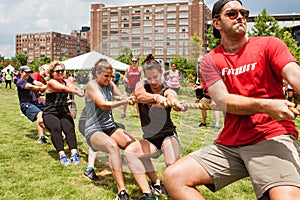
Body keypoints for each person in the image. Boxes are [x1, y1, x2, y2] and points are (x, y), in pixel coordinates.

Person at [163, 0, 300, 199]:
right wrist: (265, 105)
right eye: (233, 14)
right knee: (174, 177)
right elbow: (222, 100)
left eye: (243, 13)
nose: (241, 17)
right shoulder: (210, 60)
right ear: (217, 23)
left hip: (272, 136)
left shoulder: (270, 44)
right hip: (231, 143)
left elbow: (295, 75)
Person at [124, 54, 186, 200]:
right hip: (150, 140)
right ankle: (149, 193)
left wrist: (176, 104)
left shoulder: (167, 89)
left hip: (167, 136)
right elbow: (140, 96)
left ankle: (167, 186)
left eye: (156, 77)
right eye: (149, 78)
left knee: (171, 169)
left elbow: (172, 97)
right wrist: (156, 98)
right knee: (130, 153)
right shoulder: (142, 87)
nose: (153, 81)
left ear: (161, 75)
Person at [84, 58, 136, 200]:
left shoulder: (109, 84)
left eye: (110, 76)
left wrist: (133, 97)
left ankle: (150, 184)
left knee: (134, 144)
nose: (109, 79)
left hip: (110, 127)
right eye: (106, 76)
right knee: (113, 147)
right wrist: (124, 101)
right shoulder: (92, 85)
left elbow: (120, 96)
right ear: (97, 74)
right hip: (94, 130)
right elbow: (103, 104)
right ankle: (122, 192)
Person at [42, 62, 83, 166]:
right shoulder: (51, 82)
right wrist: (77, 93)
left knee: (69, 128)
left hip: (63, 110)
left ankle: (74, 153)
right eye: (57, 71)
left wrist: (80, 90)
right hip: (50, 112)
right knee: (56, 128)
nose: (60, 72)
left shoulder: (66, 81)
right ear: (52, 73)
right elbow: (65, 89)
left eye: (62, 70)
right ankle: (62, 155)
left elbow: (72, 86)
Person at [78, 106, 126, 181]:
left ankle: (117, 158)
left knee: (120, 127)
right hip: (86, 122)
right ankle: (90, 169)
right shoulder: (100, 97)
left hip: (99, 123)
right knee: (97, 139)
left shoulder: (108, 97)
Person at [16, 66, 47, 144]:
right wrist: (41, 88)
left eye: (29, 72)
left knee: (48, 113)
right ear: (21, 72)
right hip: (26, 105)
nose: (28, 74)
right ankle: (49, 135)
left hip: (34, 102)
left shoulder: (29, 78)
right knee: (40, 114)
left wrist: (43, 85)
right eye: (26, 72)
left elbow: (37, 83)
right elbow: (31, 87)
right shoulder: (20, 81)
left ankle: (43, 136)